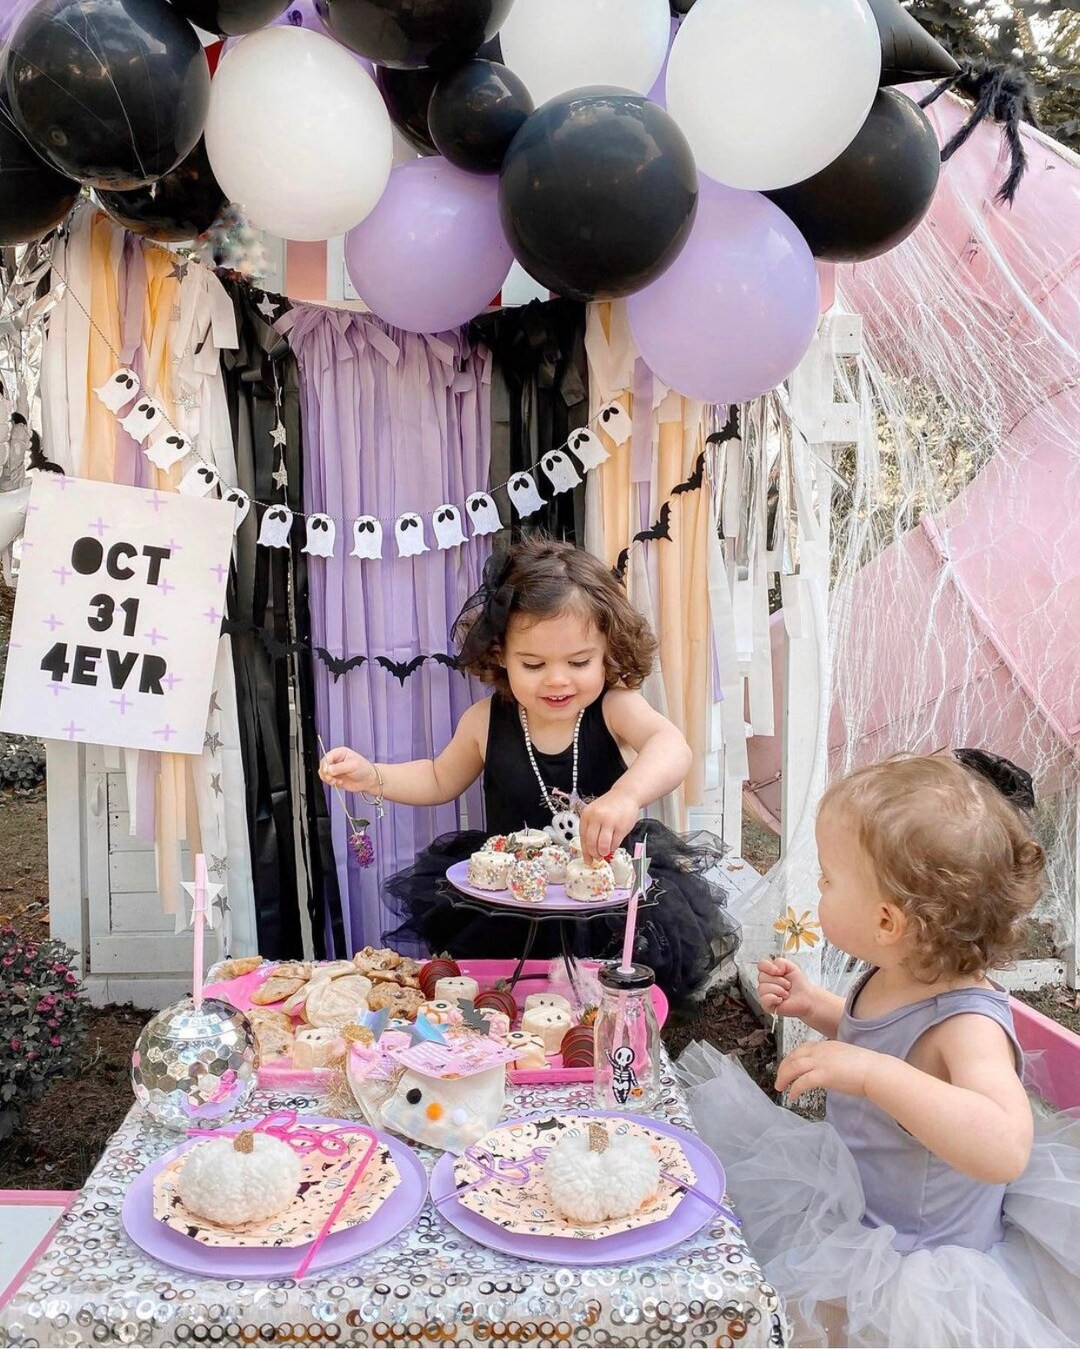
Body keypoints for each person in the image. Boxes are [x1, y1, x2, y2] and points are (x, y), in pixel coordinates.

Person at [679, 751, 1080, 1347]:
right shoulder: (897, 972)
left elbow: (1002, 1148)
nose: (819, 887)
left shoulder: (967, 1026)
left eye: (829, 878)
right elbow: (885, 1037)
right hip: (855, 1206)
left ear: (888, 921)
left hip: (920, 1267)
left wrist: (871, 1075)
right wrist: (820, 1010)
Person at [319, 537, 738, 999]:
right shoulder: (484, 722)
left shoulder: (614, 708)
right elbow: (439, 777)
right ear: (500, 654)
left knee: (606, 1003)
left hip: (604, 897)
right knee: (511, 1000)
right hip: (511, 902)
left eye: (579, 661)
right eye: (533, 663)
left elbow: (671, 746)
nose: (557, 679)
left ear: (607, 652)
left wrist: (626, 796)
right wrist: (373, 775)